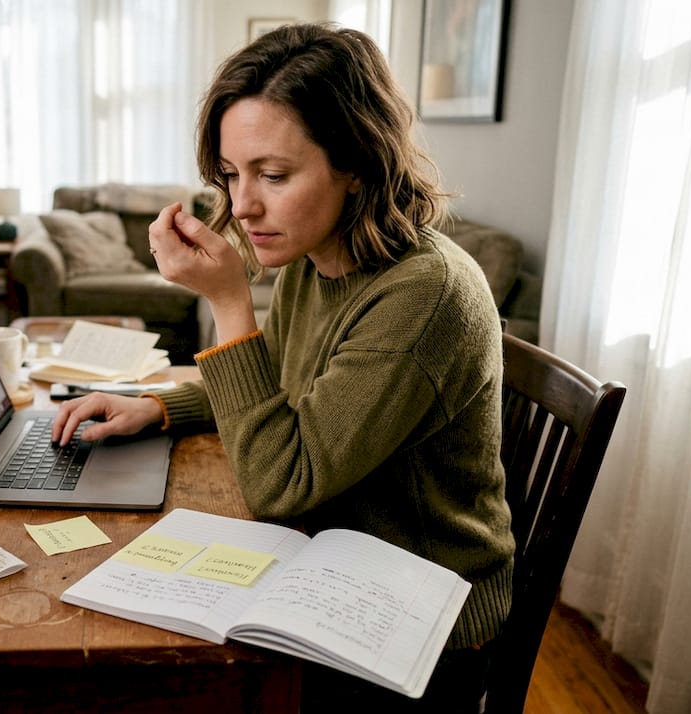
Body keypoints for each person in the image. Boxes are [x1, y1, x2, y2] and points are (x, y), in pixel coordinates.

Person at [52, 23, 514, 712]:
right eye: (233, 175)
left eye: (273, 175)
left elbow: (282, 483)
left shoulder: (423, 295)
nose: (242, 205)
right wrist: (158, 406)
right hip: (338, 556)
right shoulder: (319, 256)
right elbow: (281, 388)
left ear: (356, 161)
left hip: (420, 614)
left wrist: (228, 300)